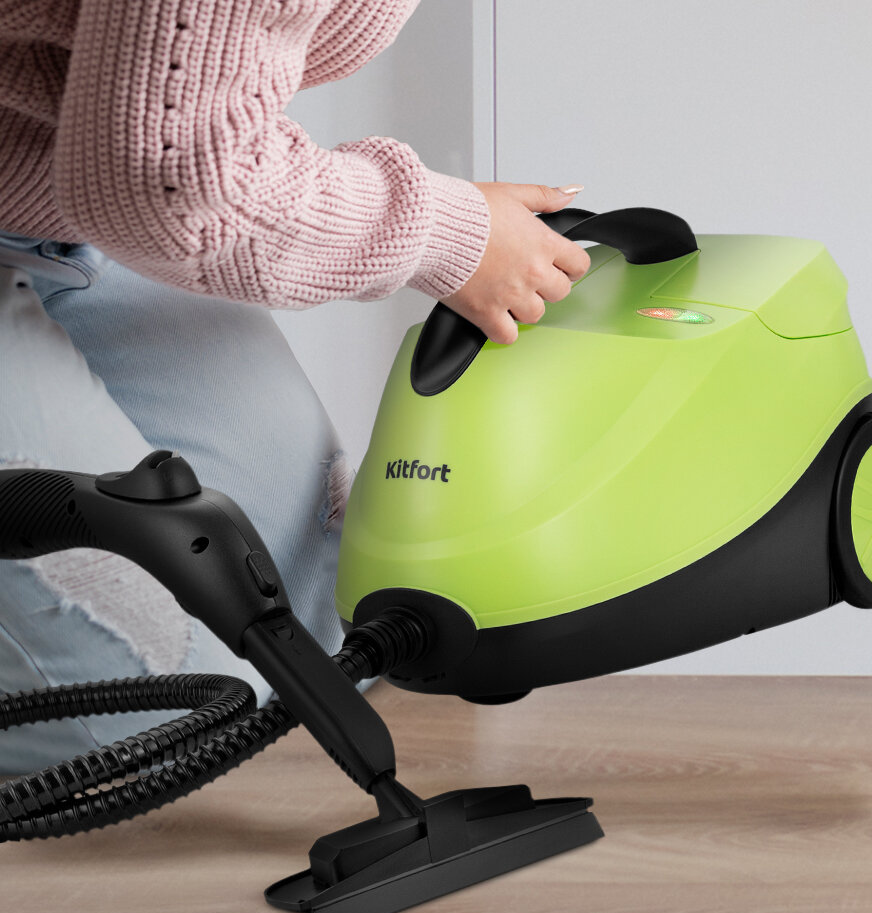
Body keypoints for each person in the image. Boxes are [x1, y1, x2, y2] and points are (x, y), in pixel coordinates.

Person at [0, 0, 590, 771]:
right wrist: (450, 233)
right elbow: (171, 183)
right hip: (137, 195)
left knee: (321, 630)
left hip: (63, 205)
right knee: (139, 731)